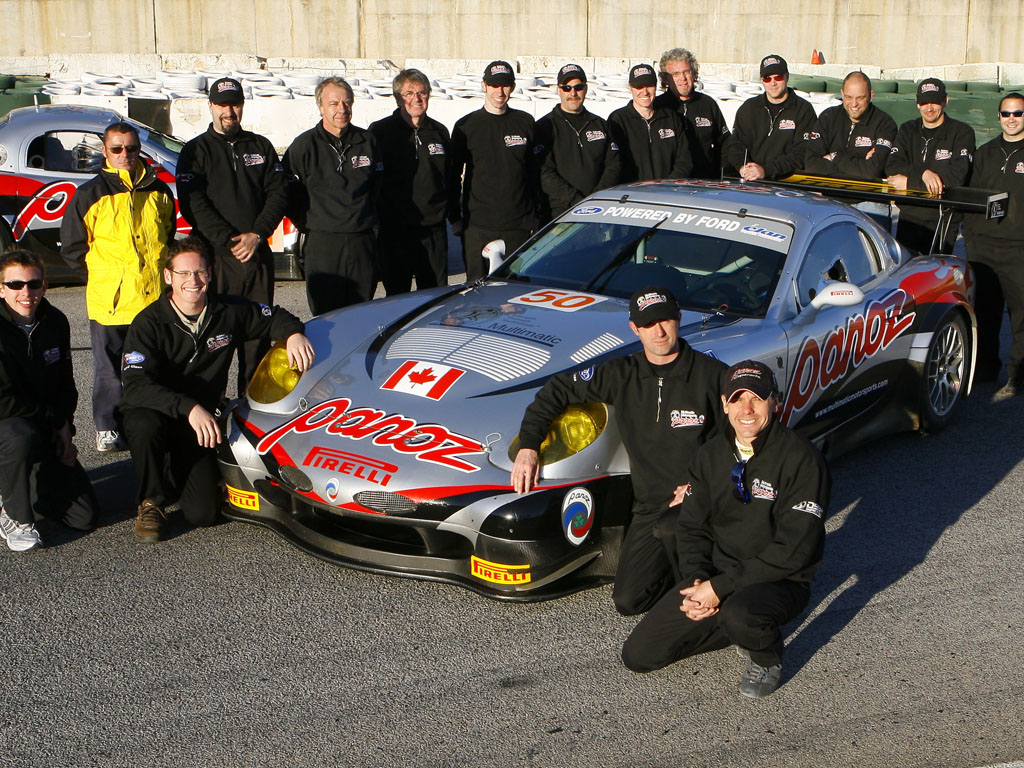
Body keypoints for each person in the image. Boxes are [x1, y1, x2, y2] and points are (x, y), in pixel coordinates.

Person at [621, 360, 830, 699]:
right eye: (737, 399)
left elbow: (795, 550)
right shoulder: (710, 455)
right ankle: (731, 623)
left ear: (774, 401)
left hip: (780, 579)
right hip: (721, 572)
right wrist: (697, 582)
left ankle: (765, 653)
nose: (746, 409)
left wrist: (721, 588)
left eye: (757, 398)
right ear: (724, 403)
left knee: (741, 613)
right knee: (640, 656)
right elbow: (691, 527)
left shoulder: (802, 460)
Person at [512, 286, 726, 615]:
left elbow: (742, 445)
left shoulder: (713, 376)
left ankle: (713, 586)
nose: (659, 330)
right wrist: (529, 446)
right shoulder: (620, 374)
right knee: (628, 601)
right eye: (649, 324)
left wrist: (702, 486)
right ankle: (683, 577)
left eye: (666, 320)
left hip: (701, 502)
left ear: (679, 320)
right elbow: (555, 390)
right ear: (634, 329)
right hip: (650, 506)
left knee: (689, 563)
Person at [119, 236, 314, 543]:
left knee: (204, 514)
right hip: (159, 413)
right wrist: (189, 407)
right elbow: (135, 387)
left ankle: (175, 473)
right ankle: (150, 502)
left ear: (209, 274)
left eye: (199, 272)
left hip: (199, 426)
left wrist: (293, 334)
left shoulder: (227, 311)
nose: (192, 280)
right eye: (183, 274)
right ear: (169, 277)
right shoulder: (148, 322)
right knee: (142, 423)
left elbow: (273, 316)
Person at [61, 121, 175, 453]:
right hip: (109, 301)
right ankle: (107, 426)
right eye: (117, 149)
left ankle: (154, 418)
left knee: (152, 364)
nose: (125, 154)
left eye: (131, 148)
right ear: (105, 152)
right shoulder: (89, 195)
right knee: (109, 369)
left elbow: (166, 238)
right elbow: (71, 247)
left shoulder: (160, 191)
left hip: (152, 300)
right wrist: (102, 278)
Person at [176, 77, 289, 394]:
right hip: (217, 260)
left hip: (256, 258)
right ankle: (211, 411)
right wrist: (229, 240)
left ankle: (250, 409)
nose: (229, 111)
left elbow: (278, 194)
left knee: (256, 339)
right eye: (222, 104)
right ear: (211, 106)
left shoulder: (260, 146)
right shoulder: (196, 150)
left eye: (235, 104)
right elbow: (193, 203)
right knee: (216, 340)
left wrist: (257, 234)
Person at [0, 249, 98, 551]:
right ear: (1, 288)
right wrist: (53, 420)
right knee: (19, 436)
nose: (25, 292)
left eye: (33, 283)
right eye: (15, 285)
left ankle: (15, 485)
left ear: (44, 285)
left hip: (41, 424)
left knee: (84, 516)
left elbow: (66, 385)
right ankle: (16, 517)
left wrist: (66, 429)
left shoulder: (54, 321)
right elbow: (3, 401)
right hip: (9, 425)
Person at [285, 77, 383, 314]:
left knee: (361, 315)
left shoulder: (367, 141)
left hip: (362, 243)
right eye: (334, 103)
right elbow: (287, 193)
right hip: (323, 244)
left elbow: (380, 189)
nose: (342, 109)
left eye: (347, 103)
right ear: (320, 106)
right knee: (325, 316)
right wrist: (310, 223)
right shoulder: (304, 146)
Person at [450, 60, 540, 281]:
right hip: (478, 226)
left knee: (516, 294)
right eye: (494, 85)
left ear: (513, 86)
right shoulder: (466, 126)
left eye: (505, 85)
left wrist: (535, 218)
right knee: (476, 292)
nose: (500, 92)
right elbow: (451, 175)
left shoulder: (525, 122)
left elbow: (535, 173)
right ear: (484, 86)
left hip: (518, 226)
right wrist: (455, 217)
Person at [369, 69, 451, 295]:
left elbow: (450, 178)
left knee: (434, 296)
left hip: (432, 229)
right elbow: (370, 180)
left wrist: (453, 216)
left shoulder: (439, 132)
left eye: (422, 93)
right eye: (409, 93)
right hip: (395, 230)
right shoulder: (380, 132)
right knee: (397, 296)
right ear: (398, 98)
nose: (417, 98)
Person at [963, 92, 1024, 390]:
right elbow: (970, 197)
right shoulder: (985, 153)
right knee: (985, 312)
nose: (1011, 119)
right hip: (984, 246)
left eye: (1018, 113)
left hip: (1019, 247)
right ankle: (985, 368)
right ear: (998, 117)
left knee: (1021, 313)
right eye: (1006, 113)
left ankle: (1019, 372)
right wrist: (972, 237)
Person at [885, 78, 975, 254]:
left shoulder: (962, 132)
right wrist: (923, 173)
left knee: (936, 274)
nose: (929, 107)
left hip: (942, 217)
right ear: (917, 104)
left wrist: (910, 183)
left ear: (945, 101)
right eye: (924, 102)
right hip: (909, 216)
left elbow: (958, 175)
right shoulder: (907, 129)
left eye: (935, 101)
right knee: (907, 274)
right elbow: (892, 166)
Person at [534, 63, 621, 219]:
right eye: (567, 88)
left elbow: (614, 166)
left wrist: (595, 200)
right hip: (559, 214)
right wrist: (577, 202)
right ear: (558, 90)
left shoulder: (601, 125)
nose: (572, 93)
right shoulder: (544, 127)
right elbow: (545, 173)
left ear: (586, 89)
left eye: (578, 87)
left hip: (598, 210)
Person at [723, 54, 817, 181]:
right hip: (750, 180)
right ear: (762, 80)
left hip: (786, 183)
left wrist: (766, 170)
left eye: (778, 77)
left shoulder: (803, 110)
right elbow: (735, 144)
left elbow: (802, 152)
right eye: (767, 78)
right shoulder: (749, 108)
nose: (773, 83)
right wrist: (743, 167)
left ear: (787, 77)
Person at [804, 71, 898, 181]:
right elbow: (811, 164)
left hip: (865, 196)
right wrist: (860, 165)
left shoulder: (885, 124)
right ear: (842, 94)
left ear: (871, 96)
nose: (854, 104)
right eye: (848, 97)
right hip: (826, 194)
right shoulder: (828, 117)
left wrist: (834, 157)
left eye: (860, 98)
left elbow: (872, 171)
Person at [653, 48, 730, 179]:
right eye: (676, 74)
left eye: (686, 72)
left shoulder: (707, 104)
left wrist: (723, 175)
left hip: (705, 184)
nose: (683, 78)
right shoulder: (658, 107)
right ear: (665, 79)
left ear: (694, 74)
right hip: (669, 185)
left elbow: (725, 142)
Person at [609, 64, 692, 183]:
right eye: (639, 87)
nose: (645, 92)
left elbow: (684, 160)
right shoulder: (618, 120)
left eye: (649, 86)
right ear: (630, 88)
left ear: (656, 86)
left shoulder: (671, 118)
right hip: (632, 194)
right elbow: (614, 164)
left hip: (667, 193)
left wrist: (667, 185)